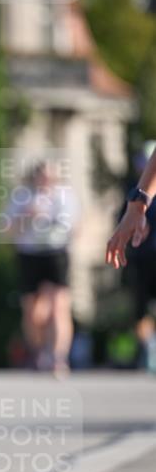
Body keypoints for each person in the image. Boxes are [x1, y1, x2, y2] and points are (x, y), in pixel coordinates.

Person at [4, 160, 78, 375]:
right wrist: (26, 217)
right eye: (42, 175)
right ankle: (38, 352)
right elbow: (7, 228)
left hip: (56, 253)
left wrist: (53, 220)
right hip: (29, 254)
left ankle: (58, 358)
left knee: (59, 307)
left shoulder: (64, 196)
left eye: (50, 176)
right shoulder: (22, 196)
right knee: (33, 312)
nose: (45, 180)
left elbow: (74, 225)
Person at [107, 143, 156, 368]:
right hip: (141, 259)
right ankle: (149, 351)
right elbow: (123, 219)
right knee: (141, 309)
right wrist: (137, 206)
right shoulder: (134, 190)